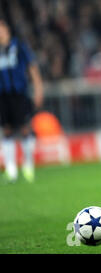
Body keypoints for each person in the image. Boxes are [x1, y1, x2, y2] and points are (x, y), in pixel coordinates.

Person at [0, 19, 44, 183]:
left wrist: (38, 88)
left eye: (1, 29)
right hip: (2, 96)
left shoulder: (18, 47)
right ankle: (11, 169)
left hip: (19, 94)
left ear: (7, 30)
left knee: (25, 128)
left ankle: (28, 165)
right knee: (7, 130)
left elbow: (32, 67)